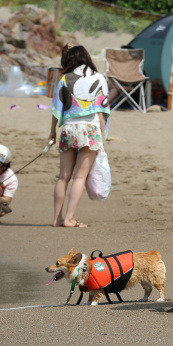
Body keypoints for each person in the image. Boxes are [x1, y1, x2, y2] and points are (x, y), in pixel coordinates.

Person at [48, 44, 110, 227]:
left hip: (68, 128)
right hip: (89, 130)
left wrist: (52, 132)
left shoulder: (65, 79)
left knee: (63, 177)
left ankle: (56, 219)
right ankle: (69, 218)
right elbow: (103, 110)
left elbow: (56, 109)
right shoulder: (99, 78)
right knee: (79, 177)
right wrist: (103, 135)